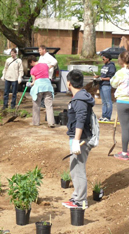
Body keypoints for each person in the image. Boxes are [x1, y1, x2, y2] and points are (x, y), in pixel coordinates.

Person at [62, 69, 95, 210]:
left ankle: (81, 201)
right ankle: (77, 196)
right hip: (78, 138)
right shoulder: (81, 96)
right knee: (74, 168)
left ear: (69, 83)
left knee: (78, 169)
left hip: (80, 139)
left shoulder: (80, 99)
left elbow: (81, 120)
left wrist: (76, 140)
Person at [28, 56, 55, 127]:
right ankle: (51, 123)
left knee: (36, 105)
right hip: (48, 86)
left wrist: (29, 84)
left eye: (30, 64)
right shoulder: (45, 65)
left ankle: (36, 122)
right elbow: (49, 68)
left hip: (38, 87)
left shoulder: (33, 70)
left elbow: (34, 82)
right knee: (49, 105)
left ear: (32, 61)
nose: (31, 65)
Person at [93, 53, 116, 122]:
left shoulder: (111, 66)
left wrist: (102, 79)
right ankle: (104, 116)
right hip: (101, 85)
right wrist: (98, 77)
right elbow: (103, 76)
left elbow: (111, 77)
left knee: (108, 102)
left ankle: (108, 117)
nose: (102, 60)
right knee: (104, 102)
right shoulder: (104, 66)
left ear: (108, 59)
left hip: (106, 85)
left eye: (103, 59)